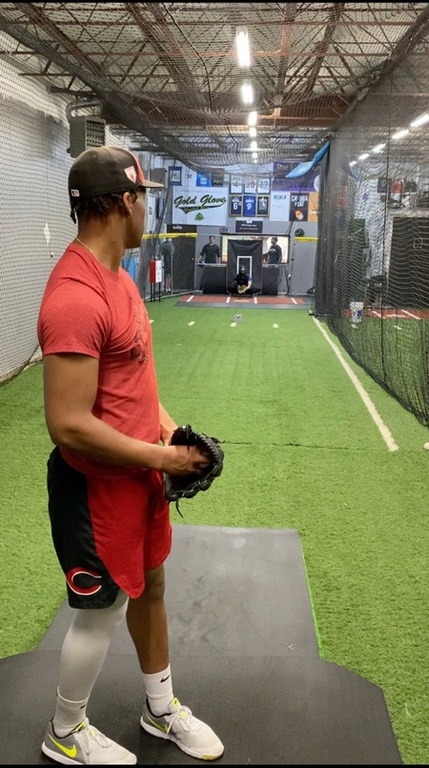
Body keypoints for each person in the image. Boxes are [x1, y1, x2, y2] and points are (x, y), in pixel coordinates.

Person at [36, 146, 224, 765]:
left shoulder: (118, 279)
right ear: (125, 201)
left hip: (138, 474)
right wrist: (161, 460)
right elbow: (68, 424)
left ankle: (160, 709)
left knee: (151, 586)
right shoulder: (75, 295)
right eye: (144, 199)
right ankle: (65, 732)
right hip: (95, 488)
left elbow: (133, 383)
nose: (147, 211)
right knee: (102, 609)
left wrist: (171, 435)